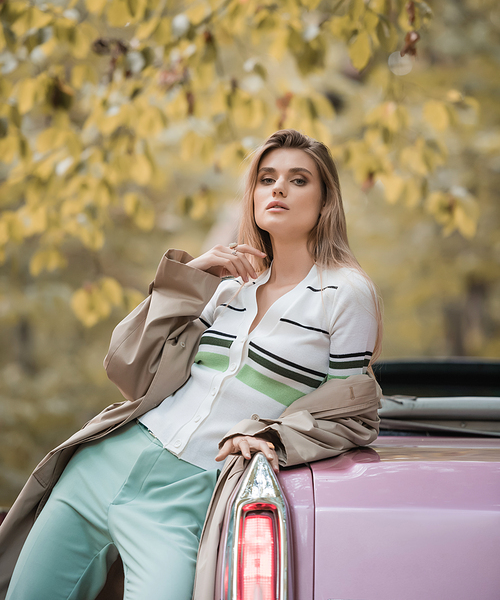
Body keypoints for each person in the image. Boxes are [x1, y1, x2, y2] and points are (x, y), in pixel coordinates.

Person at [1, 129, 383, 600]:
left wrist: (270, 436)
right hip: (104, 463)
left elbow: (350, 412)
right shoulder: (228, 289)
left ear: (325, 202)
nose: (278, 189)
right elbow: (127, 363)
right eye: (267, 179)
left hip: (190, 492)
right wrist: (193, 275)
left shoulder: (346, 292)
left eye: (298, 179)